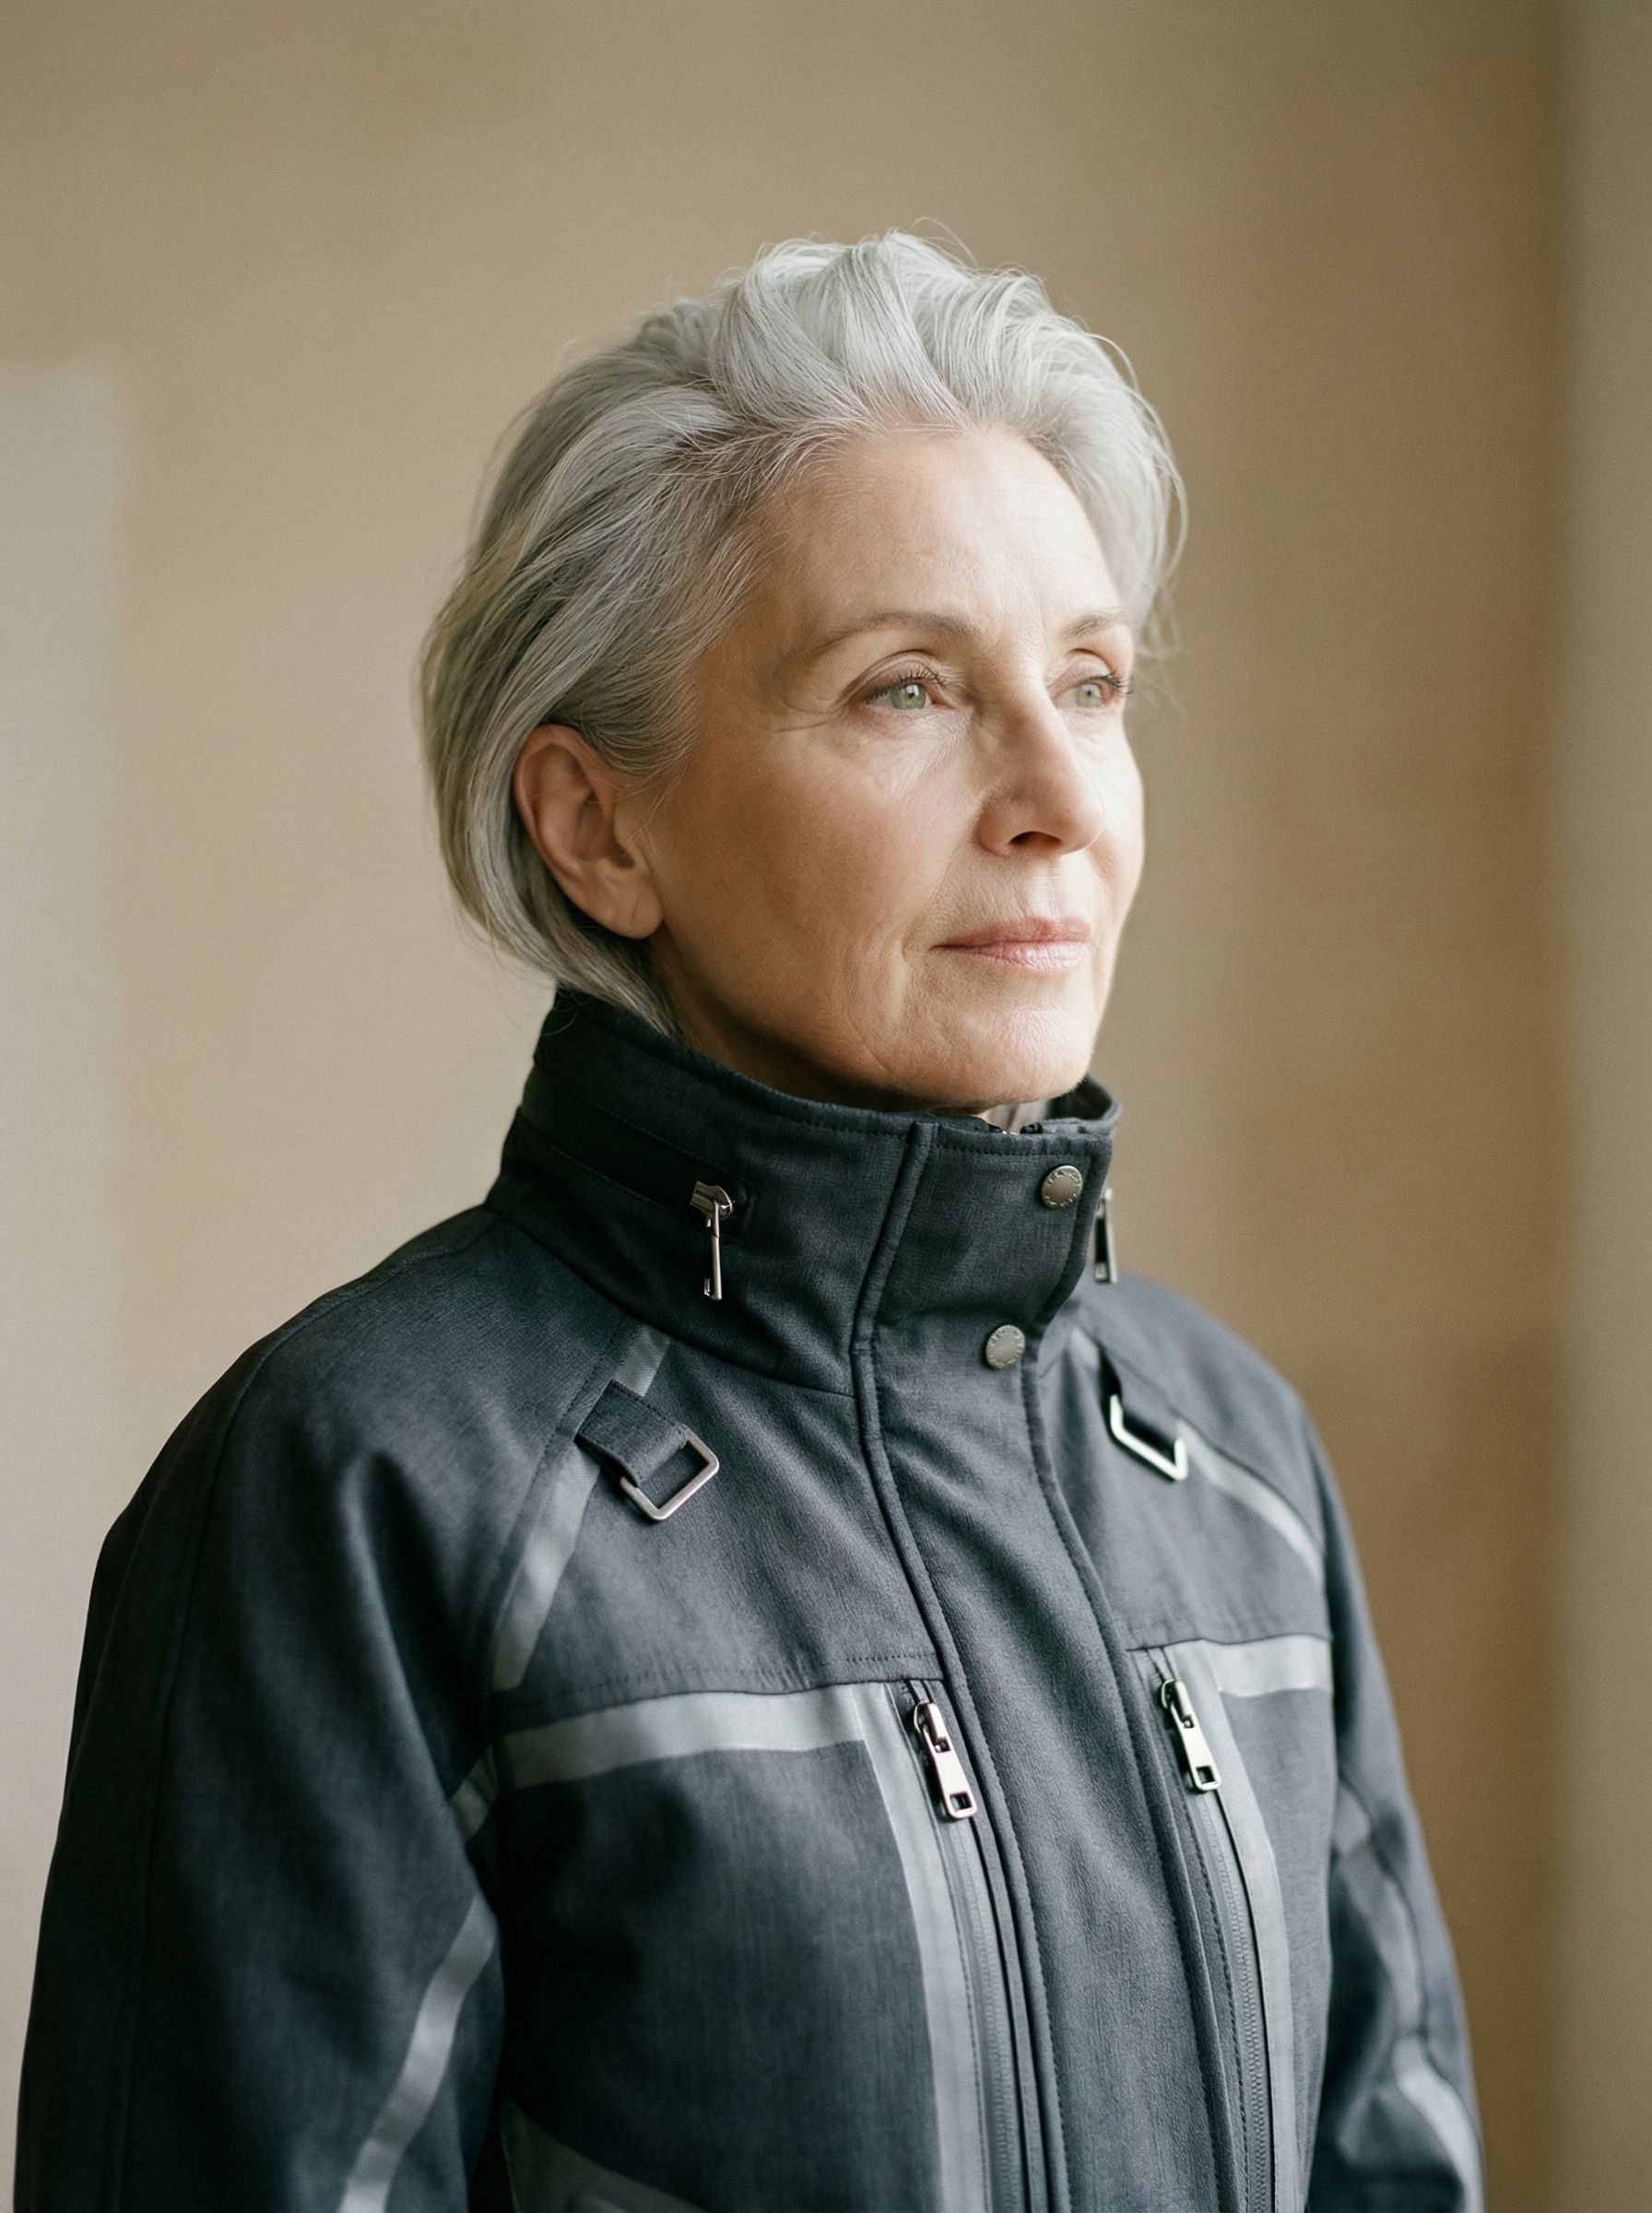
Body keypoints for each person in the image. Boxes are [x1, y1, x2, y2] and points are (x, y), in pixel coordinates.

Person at [17, 232, 1482, 2213]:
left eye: (1087, 681)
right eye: (904, 687)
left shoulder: (1235, 1468)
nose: (1061, 793)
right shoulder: (359, 1490)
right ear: (595, 826)